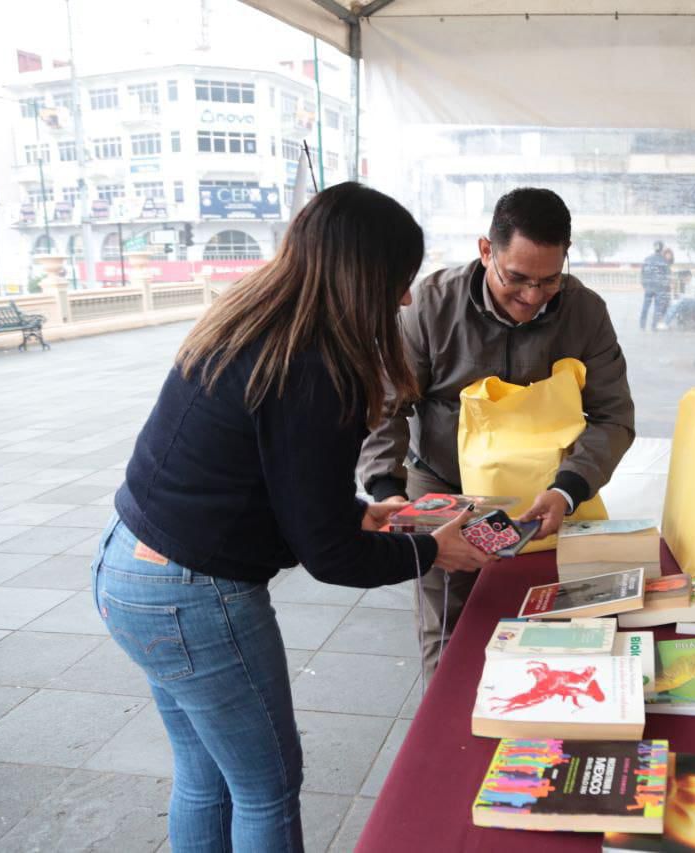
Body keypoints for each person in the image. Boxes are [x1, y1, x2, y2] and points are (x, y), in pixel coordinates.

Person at [94, 182, 492, 852]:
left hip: (129, 568)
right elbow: (328, 555)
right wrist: (433, 552)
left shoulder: (258, 321)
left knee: (206, 774)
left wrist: (363, 514)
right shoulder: (315, 369)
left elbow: (273, 482)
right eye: (398, 280)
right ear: (363, 276)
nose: (403, 299)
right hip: (193, 596)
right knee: (266, 787)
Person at [359, 187, 636, 678]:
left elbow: (614, 416)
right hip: (446, 488)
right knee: (449, 624)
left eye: (550, 281)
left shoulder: (585, 312)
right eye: (517, 279)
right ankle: (445, 742)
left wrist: (568, 490)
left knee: (551, 615)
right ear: (486, 249)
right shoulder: (429, 306)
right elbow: (384, 406)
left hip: (545, 495)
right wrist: (389, 490)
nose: (531, 298)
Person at [639, 240, 670, 331]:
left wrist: (644, 284)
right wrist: (664, 286)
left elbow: (643, 273)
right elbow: (667, 276)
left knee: (645, 306)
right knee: (657, 308)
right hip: (659, 288)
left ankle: (642, 325)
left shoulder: (647, 259)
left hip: (649, 287)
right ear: (662, 248)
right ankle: (654, 326)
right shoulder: (664, 261)